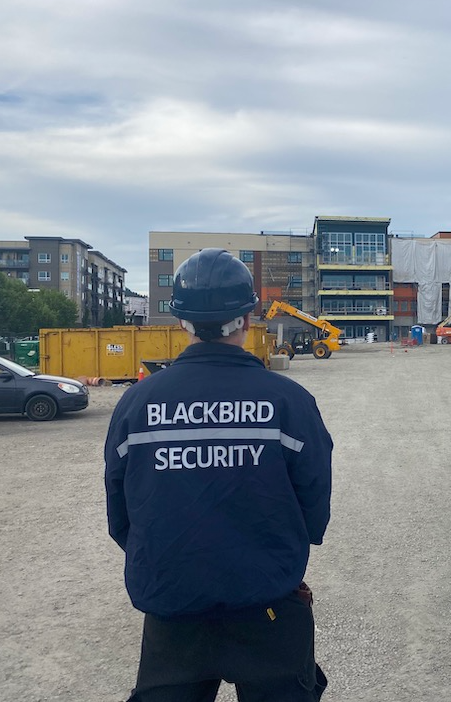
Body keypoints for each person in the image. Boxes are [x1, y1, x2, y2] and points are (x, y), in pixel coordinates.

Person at [104, 248, 333, 702]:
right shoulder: (288, 401)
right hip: (267, 601)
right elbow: (314, 505)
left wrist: (171, 560)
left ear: (180, 322)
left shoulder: (136, 404)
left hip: (174, 604)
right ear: (248, 318)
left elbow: (122, 510)